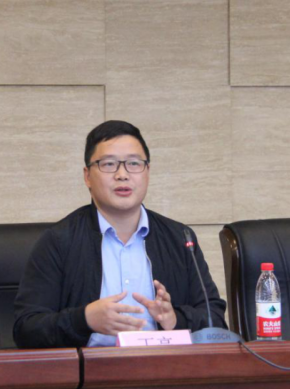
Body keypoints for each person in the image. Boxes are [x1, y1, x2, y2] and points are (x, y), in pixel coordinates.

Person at [13, 120, 227, 348]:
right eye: (109, 164)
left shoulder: (179, 238)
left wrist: (175, 319)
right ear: (87, 176)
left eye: (134, 163)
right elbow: (26, 329)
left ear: (147, 172)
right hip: (90, 367)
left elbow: (215, 319)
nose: (122, 174)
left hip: (165, 364)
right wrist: (84, 319)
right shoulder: (59, 241)